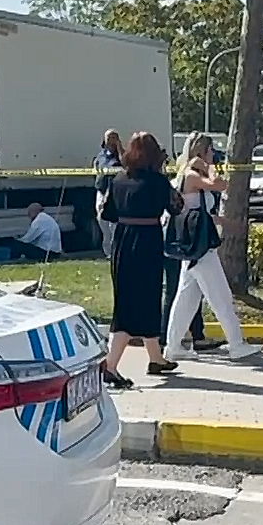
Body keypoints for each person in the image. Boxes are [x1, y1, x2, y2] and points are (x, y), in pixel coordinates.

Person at [161, 134, 263, 361]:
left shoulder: (184, 176)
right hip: (200, 249)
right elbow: (221, 185)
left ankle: (173, 346)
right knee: (221, 297)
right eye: (210, 150)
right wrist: (208, 167)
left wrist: (224, 222)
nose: (213, 153)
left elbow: (198, 213)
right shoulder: (191, 175)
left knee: (186, 299)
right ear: (202, 151)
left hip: (195, 246)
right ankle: (236, 345)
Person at [101, 132, 180, 388]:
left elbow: (108, 213)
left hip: (123, 242)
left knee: (128, 298)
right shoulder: (158, 182)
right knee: (142, 300)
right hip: (147, 241)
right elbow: (176, 207)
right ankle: (110, 366)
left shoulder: (119, 180)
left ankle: (155, 358)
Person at [94, 129, 122, 257]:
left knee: (115, 224)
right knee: (102, 220)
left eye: (115, 137)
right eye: (110, 137)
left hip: (116, 193)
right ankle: (108, 252)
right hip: (102, 191)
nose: (112, 140)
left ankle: (115, 250)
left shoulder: (122, 155)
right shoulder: (101, 156)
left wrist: (120, 150)